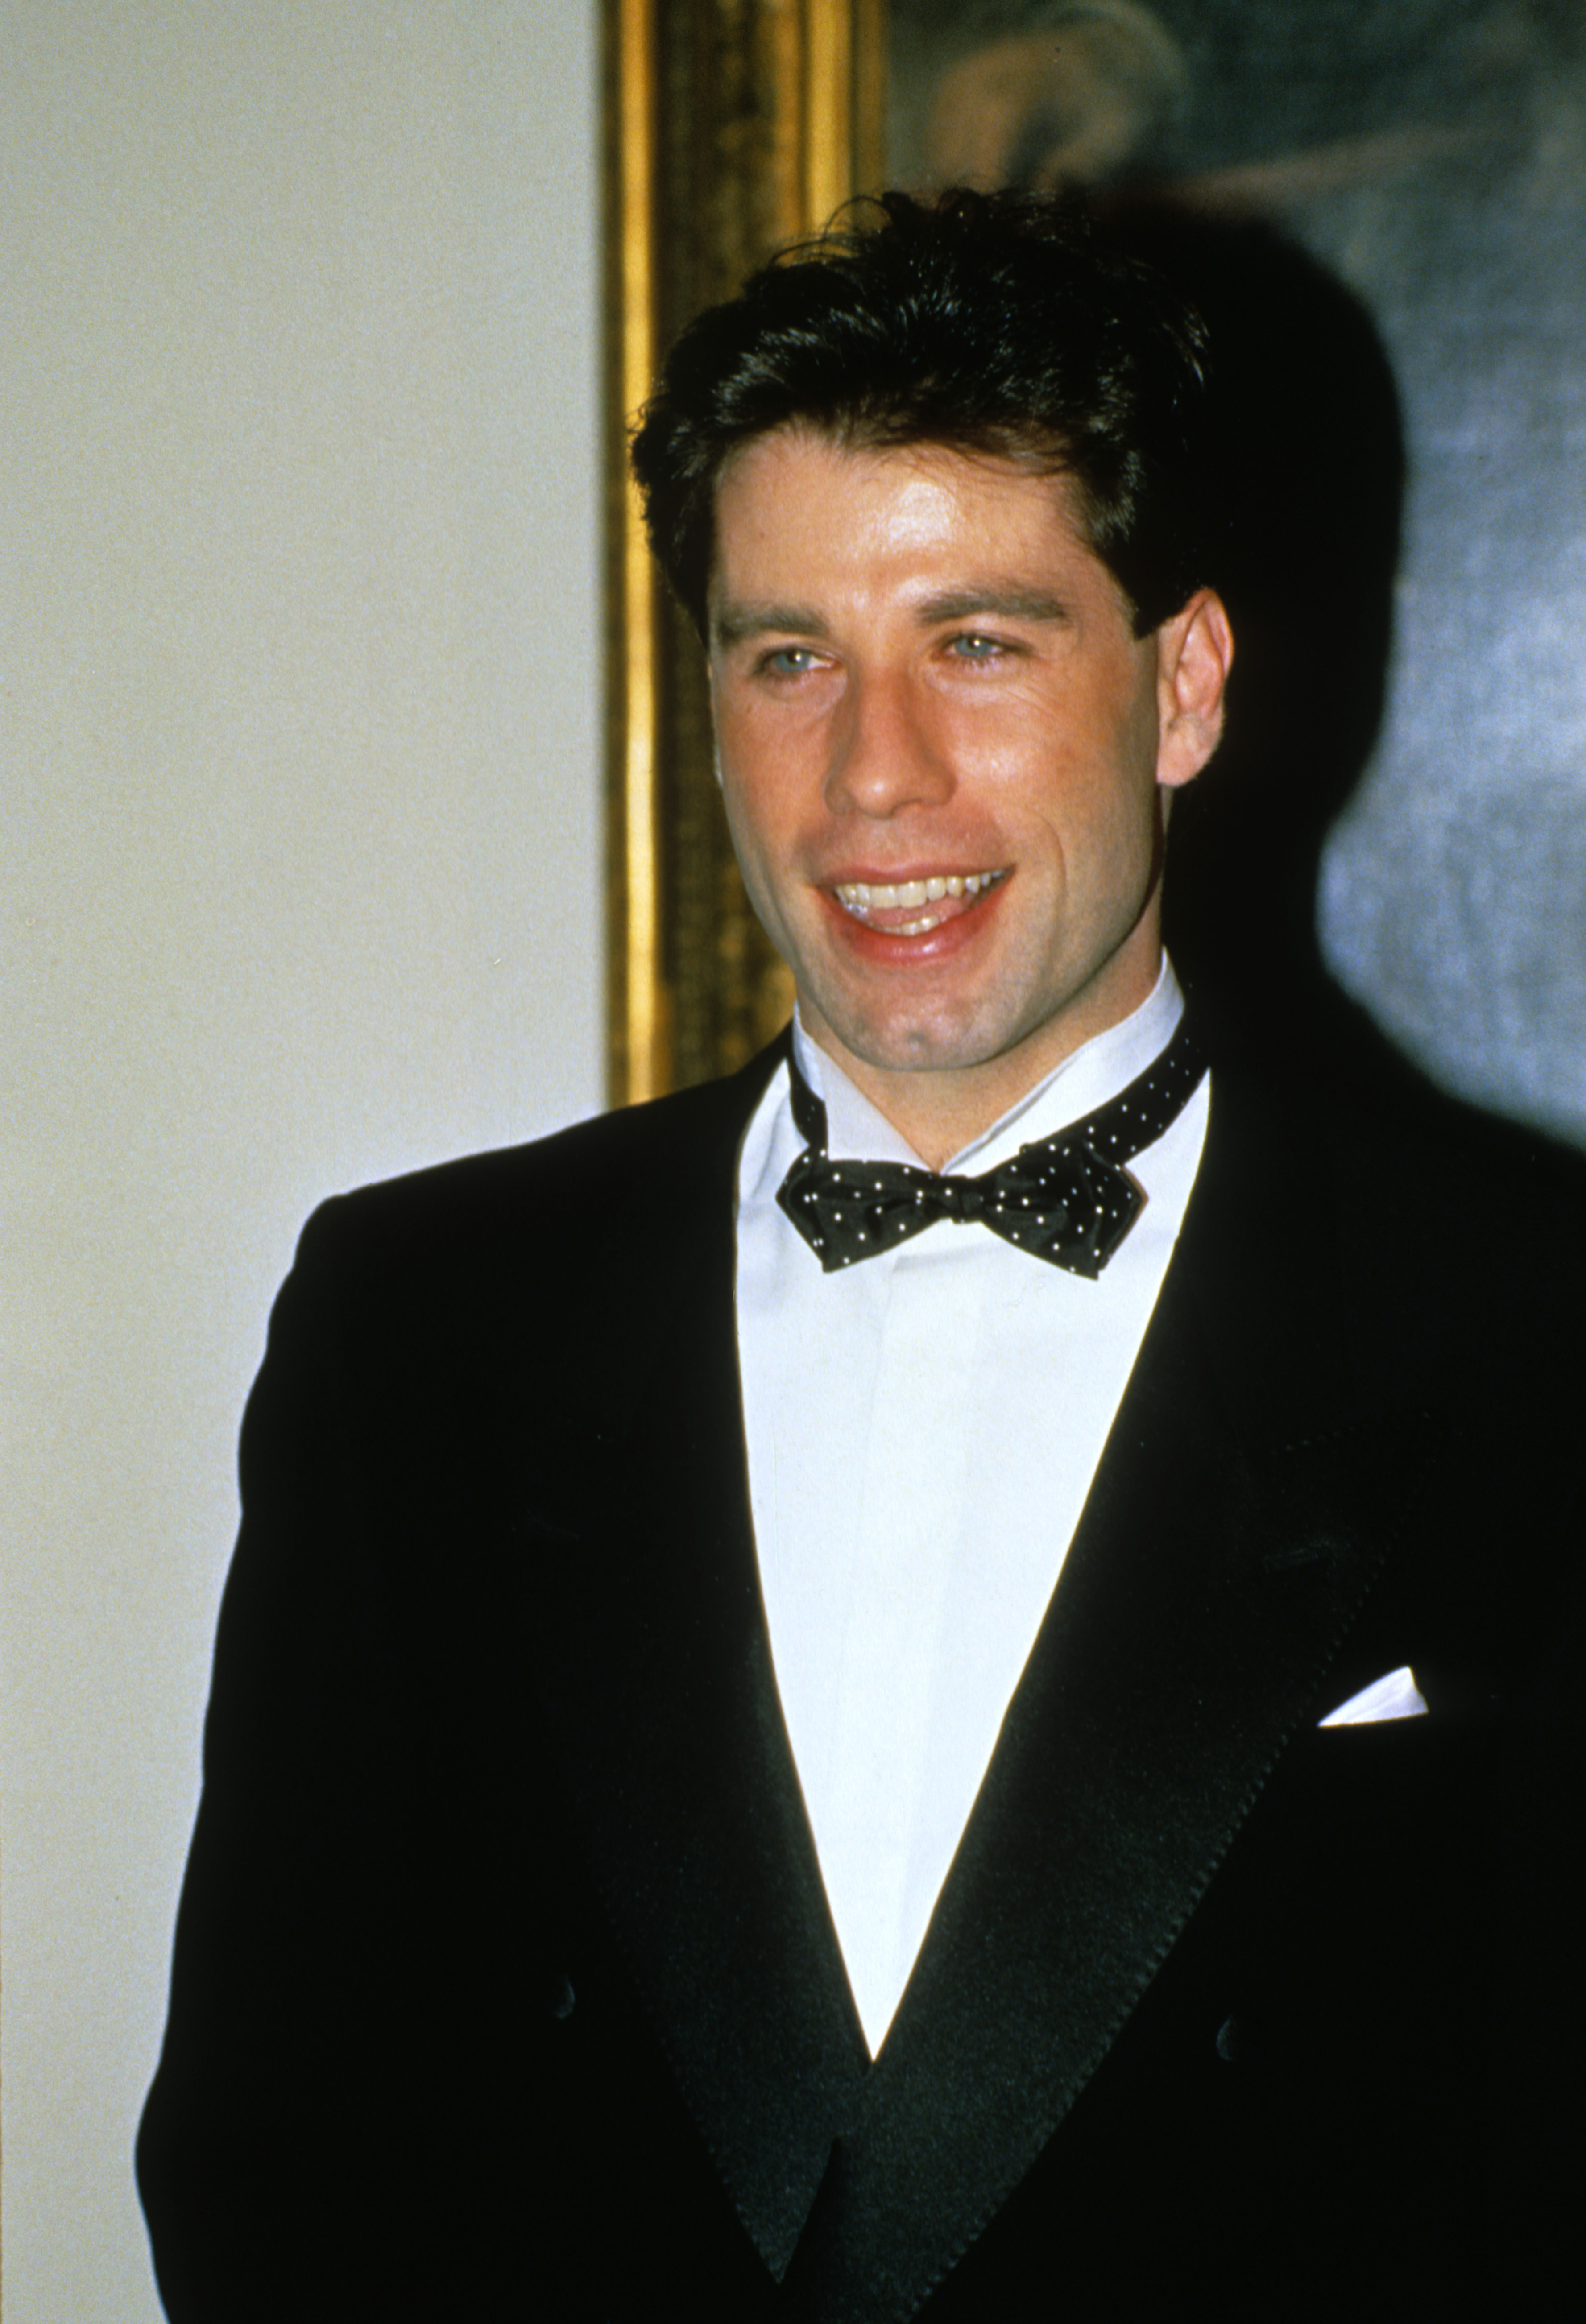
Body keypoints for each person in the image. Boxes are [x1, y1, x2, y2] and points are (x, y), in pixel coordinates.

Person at [138, 190, 1585, 2320]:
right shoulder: (415, 1321)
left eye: (977, 644)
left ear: (1180, 685)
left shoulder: (1533, 1323)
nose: (872, 778)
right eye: (789, 655)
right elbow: (281, 2168)